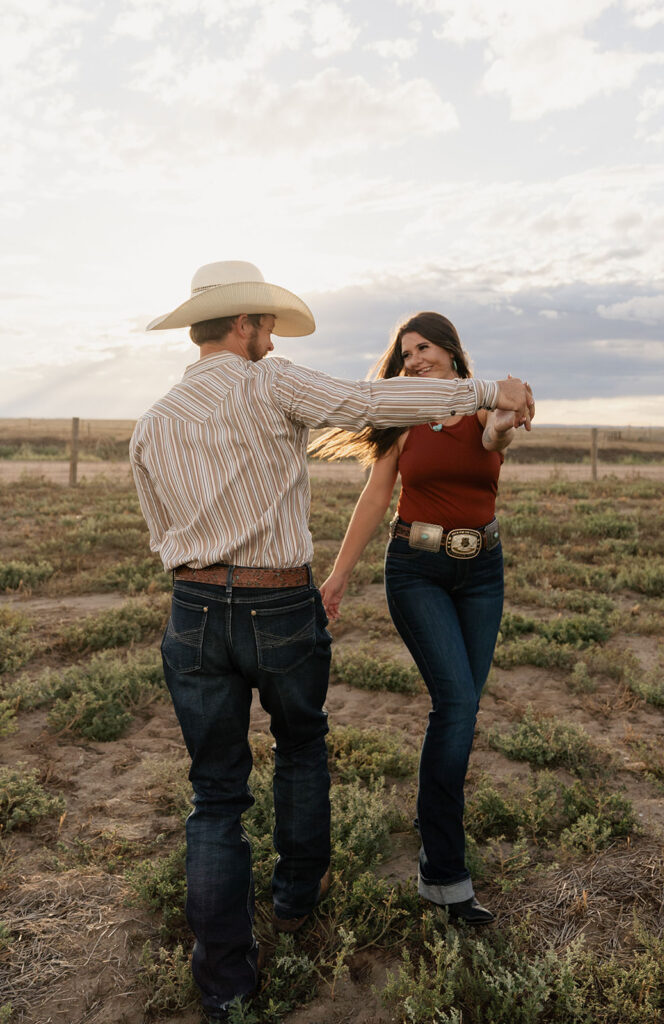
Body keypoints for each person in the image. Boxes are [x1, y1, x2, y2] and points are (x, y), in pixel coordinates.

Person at [129, 263, 533, 1021]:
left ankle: (224, 984)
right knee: (301, 745)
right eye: (265, 324)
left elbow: (159, 533)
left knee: (215, 794)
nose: (272, 335)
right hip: (277, 600)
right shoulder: (270, 383)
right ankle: (293, 897)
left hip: (191, 606)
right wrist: (481, 389)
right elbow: (367, 401)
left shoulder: (152, 419)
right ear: (244, 325)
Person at [316, 311, 533, 927]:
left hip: (482, 571)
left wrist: (506, 415)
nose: (413, 361)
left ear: (451, 351)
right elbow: (377, 496)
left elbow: (494, 439)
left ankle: (433, 816)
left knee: (460, 710)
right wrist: (338, 576)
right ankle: (444, 875)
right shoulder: (405, 415)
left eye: (423, 350)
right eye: (405, 355)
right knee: (458, 705)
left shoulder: (486, 407)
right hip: (417, 570)